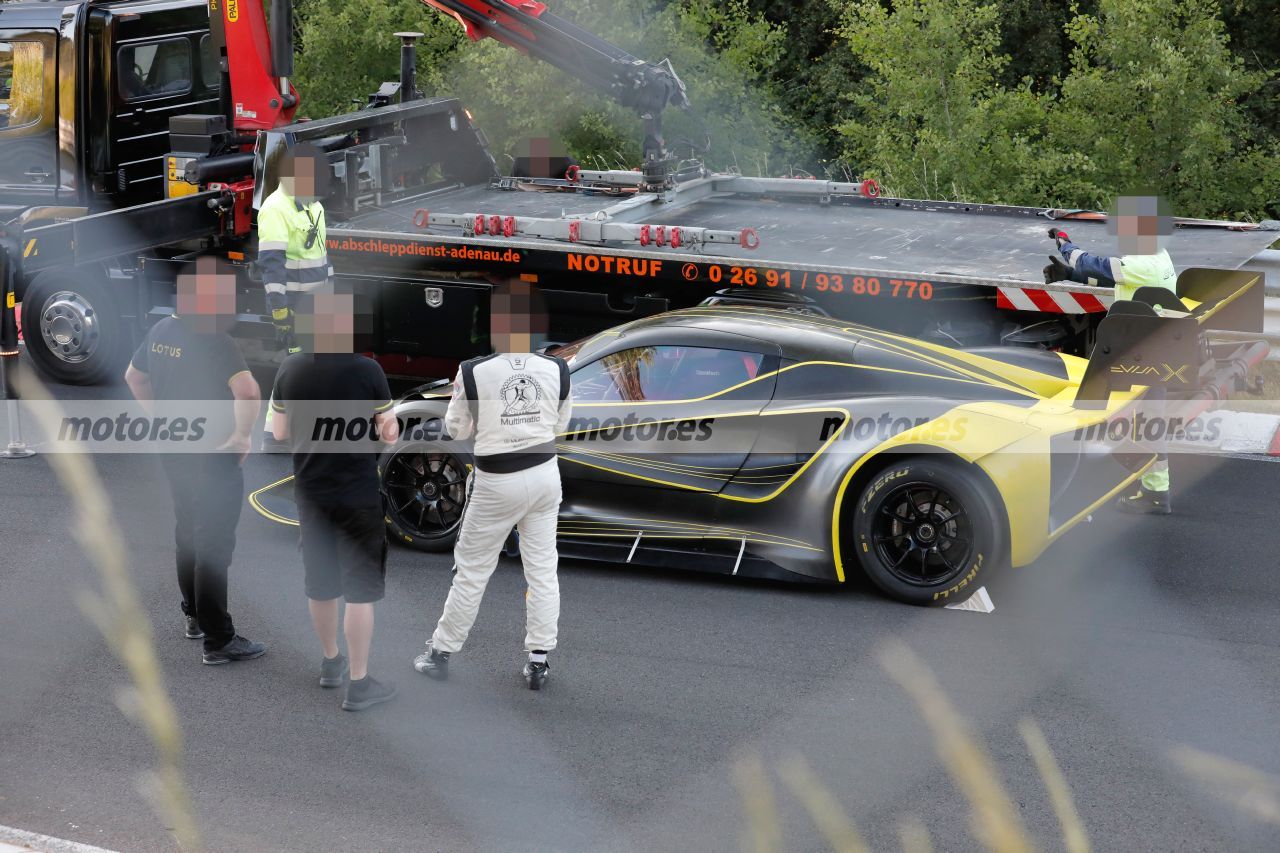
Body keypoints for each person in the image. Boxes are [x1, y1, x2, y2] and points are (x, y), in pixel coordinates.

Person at [414, 278, 571, 690]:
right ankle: (538, 661)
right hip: (544, 477)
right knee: (542, 571)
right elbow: (561, 424)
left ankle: (440, 653)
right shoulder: (559, 368)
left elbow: (456, 427)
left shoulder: (472, 371)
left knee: (472, 571)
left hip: (496, 481)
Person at [124, 256, 267, 664]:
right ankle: (218, 640)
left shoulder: (159, 330)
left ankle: (192, 616)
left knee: (187, 532)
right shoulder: (217, 341)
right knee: (214, 545)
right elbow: (249, 393)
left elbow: (133, 377)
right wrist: (241, 436)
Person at [270, 287, 400, 711]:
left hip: (311, 493)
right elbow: (388, 432)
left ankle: (330, 664)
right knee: (359, 592)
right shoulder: (367, 369)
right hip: (358, 493)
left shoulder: (290, 368)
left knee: (321, 585)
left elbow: (278, 432)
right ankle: (359, 684)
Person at [1046, 194, 1175, 515]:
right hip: (1149, 353)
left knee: (1089, 410)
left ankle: (1070, 485)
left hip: (1135, 357)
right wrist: (1069, 276)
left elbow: (1098, 265)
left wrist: (1065, 244)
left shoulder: (1145, 263)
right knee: (1148, 424)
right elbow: (1113, 276)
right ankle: (1157, 492)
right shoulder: (1157, 257)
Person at [258, 143, 332, 356]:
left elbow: (321, 255)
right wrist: (280, 311)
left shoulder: (314, 205)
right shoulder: (274, 209)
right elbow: (271, 264)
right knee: (302, 367)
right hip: (294, 308)